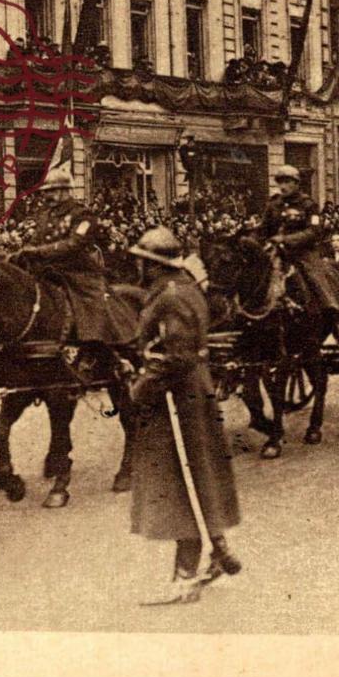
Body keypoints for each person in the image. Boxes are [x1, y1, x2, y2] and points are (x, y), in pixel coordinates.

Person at [126, 228, 242, 605]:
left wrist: (142, 386)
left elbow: (177, 356)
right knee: (197, 476)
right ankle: (217, 552)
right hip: (187, 393)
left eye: (141, 261)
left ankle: (186, 577)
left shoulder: (172, 297)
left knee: (182, 484)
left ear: (153, 264)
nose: (138, 267)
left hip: (177, 398)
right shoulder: (182, 289)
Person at [14, 168, 138, 346]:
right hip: (46, 269)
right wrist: (25, 251)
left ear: (65, 191)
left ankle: (97, 343)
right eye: (46, 192)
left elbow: (75, 244)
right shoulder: (45, 215)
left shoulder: (81, 214)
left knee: (92, 301)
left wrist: (40, 251)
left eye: (52, 190)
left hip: (77, 270)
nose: (47, 195)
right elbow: (36, 240)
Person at [261, 165, 339, 322]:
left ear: (296, 184)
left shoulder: (308, 205)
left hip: (303, 252)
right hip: (276, 251)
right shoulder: (273, 204)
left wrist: (287, 240)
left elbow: (314, 231)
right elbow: (263, 229)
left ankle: (332, 312)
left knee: (315, 275)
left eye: (287, 182)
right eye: (280, 182)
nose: (283, 186)